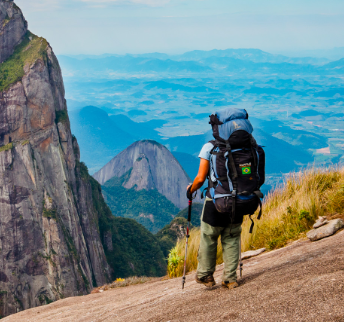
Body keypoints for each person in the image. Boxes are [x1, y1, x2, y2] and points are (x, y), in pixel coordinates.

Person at [186, 146, 242, 290]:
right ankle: (230, 279)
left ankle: (206, 275)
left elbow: (200, 179)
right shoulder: (244, 144)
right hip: (237, 201)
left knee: (209, 237)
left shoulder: (210, 147)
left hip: (215, 202)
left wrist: (190, 190)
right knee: (232, 237)